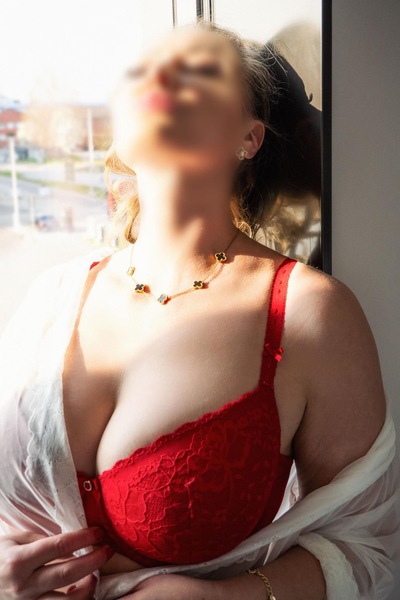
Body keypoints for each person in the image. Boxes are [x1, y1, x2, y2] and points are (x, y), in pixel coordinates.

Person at [0, 21, 398, 600]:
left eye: (201, 70)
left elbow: (371, 549)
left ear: (249, 138)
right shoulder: (50, 298)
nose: (162, 78)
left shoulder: (309, 314)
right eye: (146, 70)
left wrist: (223, 597)